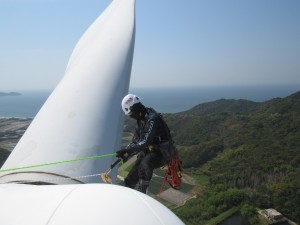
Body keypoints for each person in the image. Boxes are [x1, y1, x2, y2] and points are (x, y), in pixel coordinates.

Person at [116, 94, 175, 193]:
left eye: (130, 112)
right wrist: (126, 153)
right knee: (130, 180)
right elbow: (136, 140)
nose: (130, 115)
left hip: (163, 152)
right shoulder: (141, 120)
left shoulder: (152, 118)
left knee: (145, 164)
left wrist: (128, 150)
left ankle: (143, 193)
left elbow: (144, 141)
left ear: (135, 108)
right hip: (150, 152)